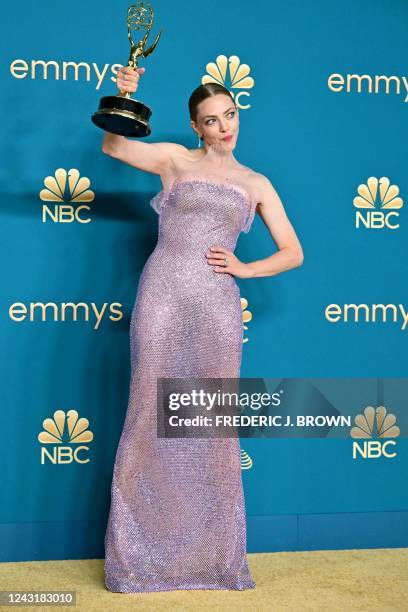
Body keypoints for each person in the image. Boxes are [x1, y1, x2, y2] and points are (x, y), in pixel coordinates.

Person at [102, 65, 304, 594]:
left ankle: (213, 562)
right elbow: (115, 149)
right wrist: (124, 97)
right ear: (196, 127)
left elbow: (293, 251)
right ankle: (135, 562)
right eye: (212, 120)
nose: (224, 127)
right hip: (162, 296)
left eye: (230, 115)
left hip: (216, 306)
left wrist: (245, 269)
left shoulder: (255, 183)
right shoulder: (174, 160)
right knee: (150, 412)